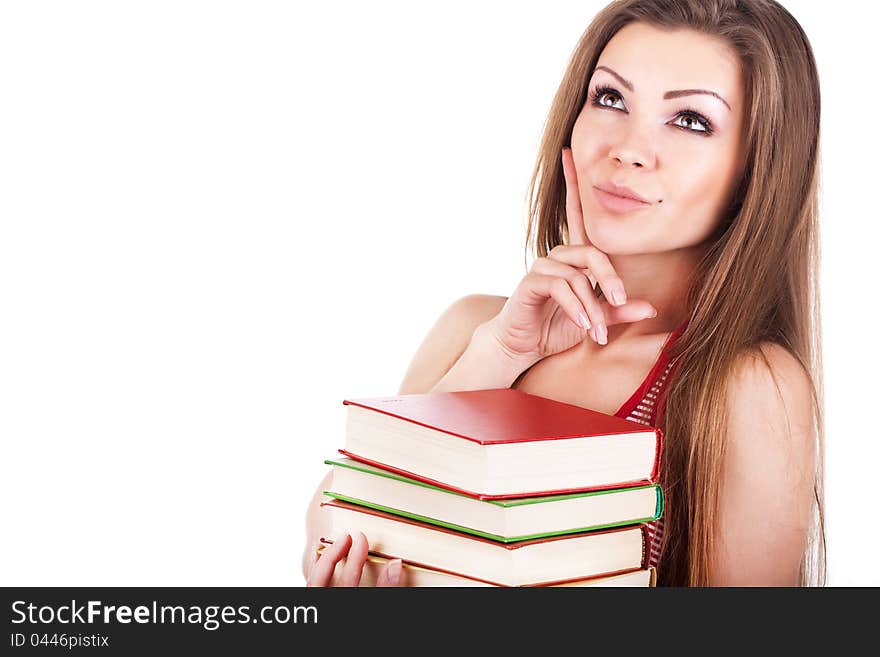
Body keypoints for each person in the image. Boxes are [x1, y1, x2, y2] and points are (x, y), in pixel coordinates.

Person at [302, 0, 826, 587]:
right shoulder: (473, 331)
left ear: (757, 167)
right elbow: (330, 530)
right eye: (610, 98)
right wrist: (499, 357)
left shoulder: (750, 387)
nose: (627, 148)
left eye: (690, 120)